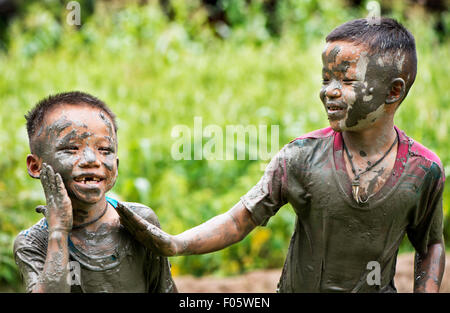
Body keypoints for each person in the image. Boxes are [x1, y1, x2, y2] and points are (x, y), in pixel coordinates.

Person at [114, 18, 446, 293]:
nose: (329, 91)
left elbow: (430, 244)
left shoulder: (423, 170)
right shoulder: (301, 157)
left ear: (393, 91)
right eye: (325, 78)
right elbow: (239, 219)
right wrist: (177, 244)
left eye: (345, 80)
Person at [14, 91, 177, 293]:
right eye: (72, 148)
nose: (92, 159)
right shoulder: (34, 242)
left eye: (105, 150)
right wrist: (58, 231)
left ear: (116, 165)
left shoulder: (138, 224)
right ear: (35, 166)